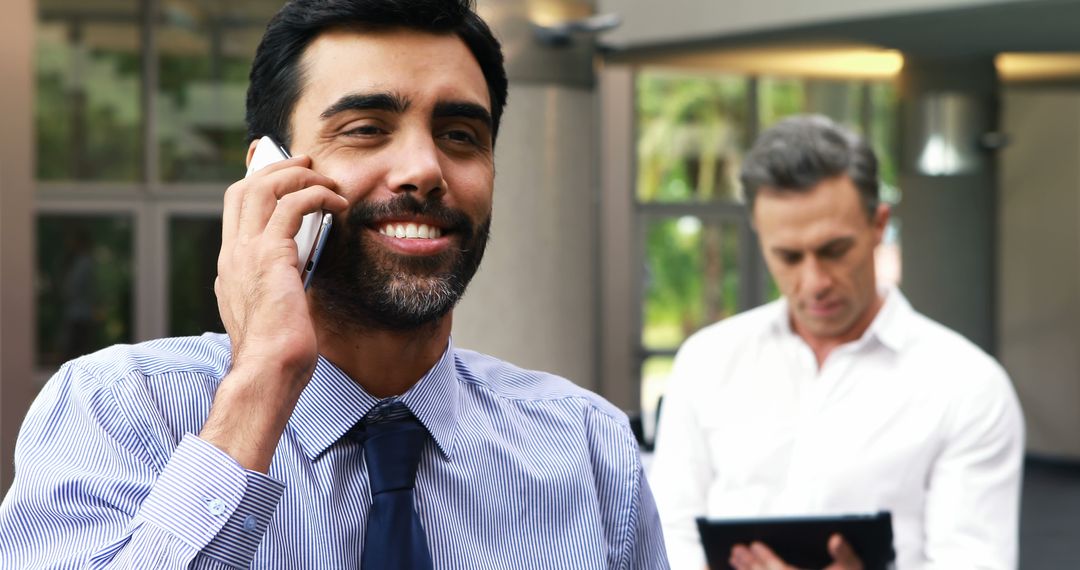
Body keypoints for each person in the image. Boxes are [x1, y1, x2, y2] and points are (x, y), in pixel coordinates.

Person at [0, 1, 668, 568]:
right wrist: (261, 383)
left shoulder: (589, 450)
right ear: (269, 172)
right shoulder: (117, 412)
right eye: (367, 130)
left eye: (460, 135)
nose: (423, 169)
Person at [649, 115, 1023, 570]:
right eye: (788, 256)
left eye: (834, 250)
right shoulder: (707, 360)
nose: (815, 281)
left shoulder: (967, 385)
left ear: (879, 225)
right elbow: (669, 535)